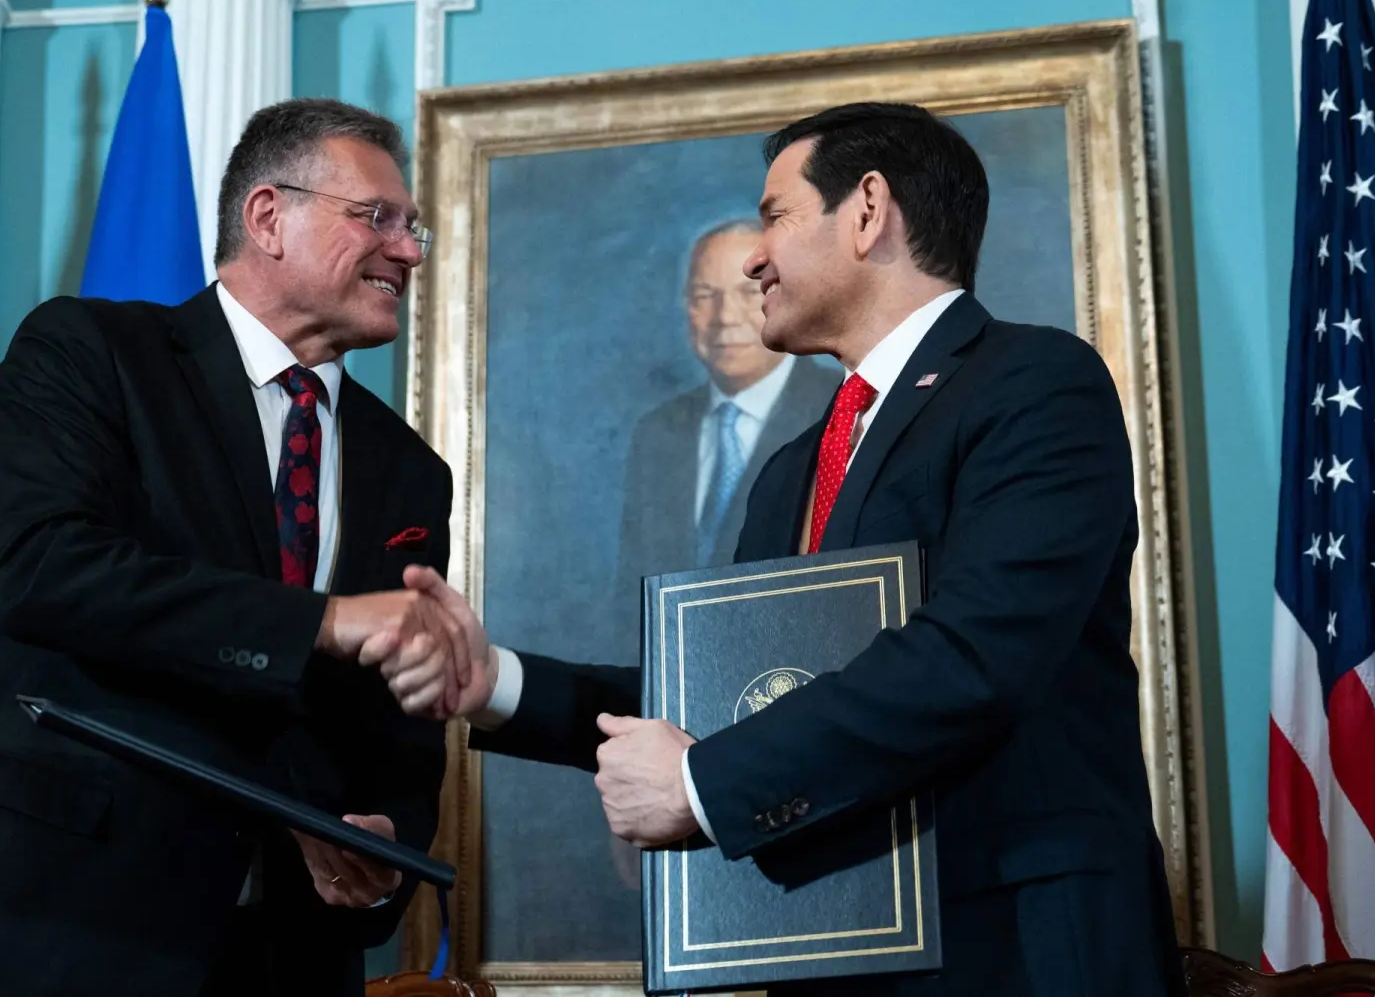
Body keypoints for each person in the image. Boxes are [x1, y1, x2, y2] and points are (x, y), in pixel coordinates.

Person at [383, 103, 1188, 996]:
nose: (755, 257)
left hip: (1020, 950)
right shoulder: (793, 468)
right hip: (838, 954)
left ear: (868, 210)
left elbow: (975, 654)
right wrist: (494, 682)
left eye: (775, 216)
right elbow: (729, 692)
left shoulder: (1034, 384)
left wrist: (700, 783)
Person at [0, 98, 468, 997]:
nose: (409, 251)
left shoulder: (412, 471)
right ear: (267, 216)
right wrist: (321, 621)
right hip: (55, 930)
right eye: (377, 217)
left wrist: (385, 840)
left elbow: (400, 727)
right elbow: (42, 570)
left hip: (284, 957)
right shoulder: (89, 353)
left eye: (412, 227)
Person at [610, 219, 841, 663]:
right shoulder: (658, 432)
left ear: (777, 294)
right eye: (705, 296)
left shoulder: (835, 408)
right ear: (685, 308)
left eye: (745, 293)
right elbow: (632, 601)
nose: (725, 318)